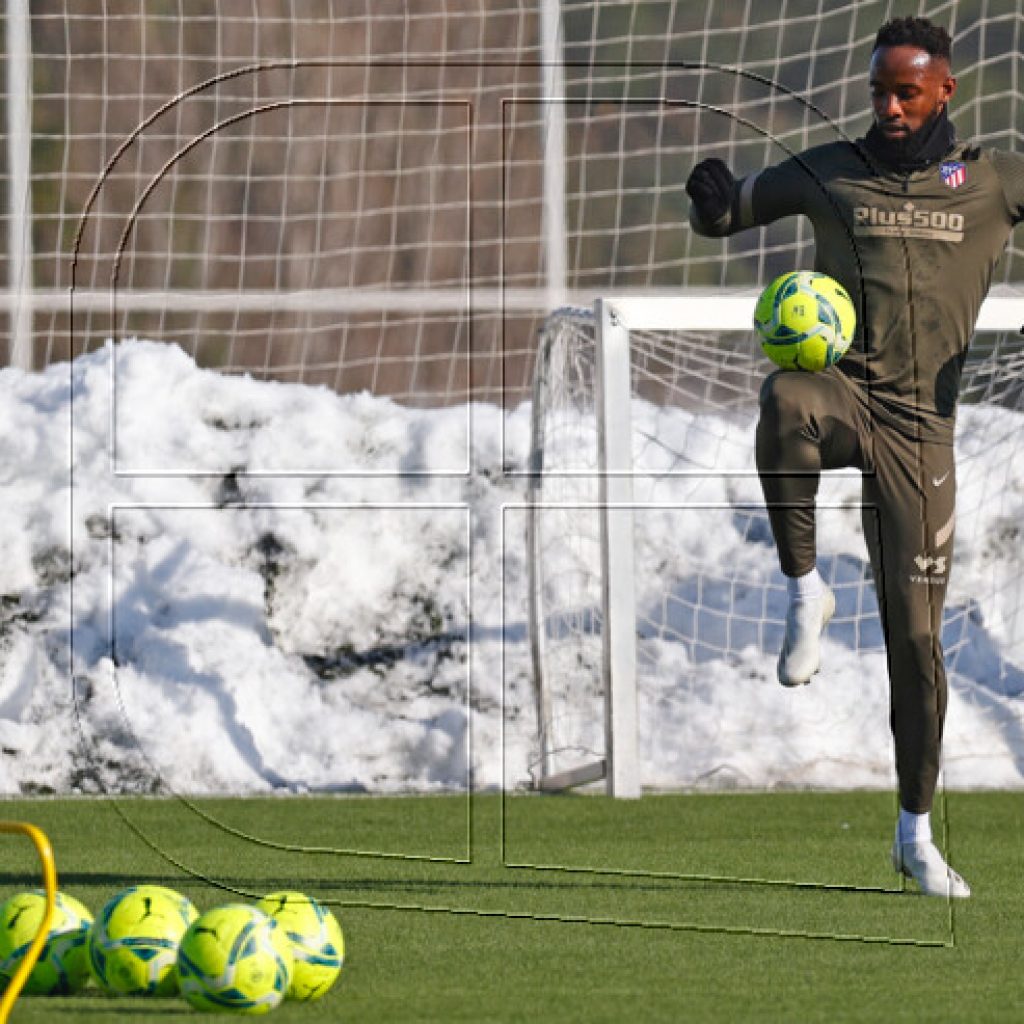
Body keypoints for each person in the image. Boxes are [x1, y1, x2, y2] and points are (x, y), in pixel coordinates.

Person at [686, 15, 1024, 898]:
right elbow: (729, 212)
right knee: (785, 397)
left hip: (924, 433)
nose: (889, 106)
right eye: (878, 90)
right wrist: (712, 194)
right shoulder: (832, 170)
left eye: (906, 91)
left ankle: (914, 834)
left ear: (946, 89)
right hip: (848, 399)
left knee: (916, 642)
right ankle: (805, 587)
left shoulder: (991, 183)